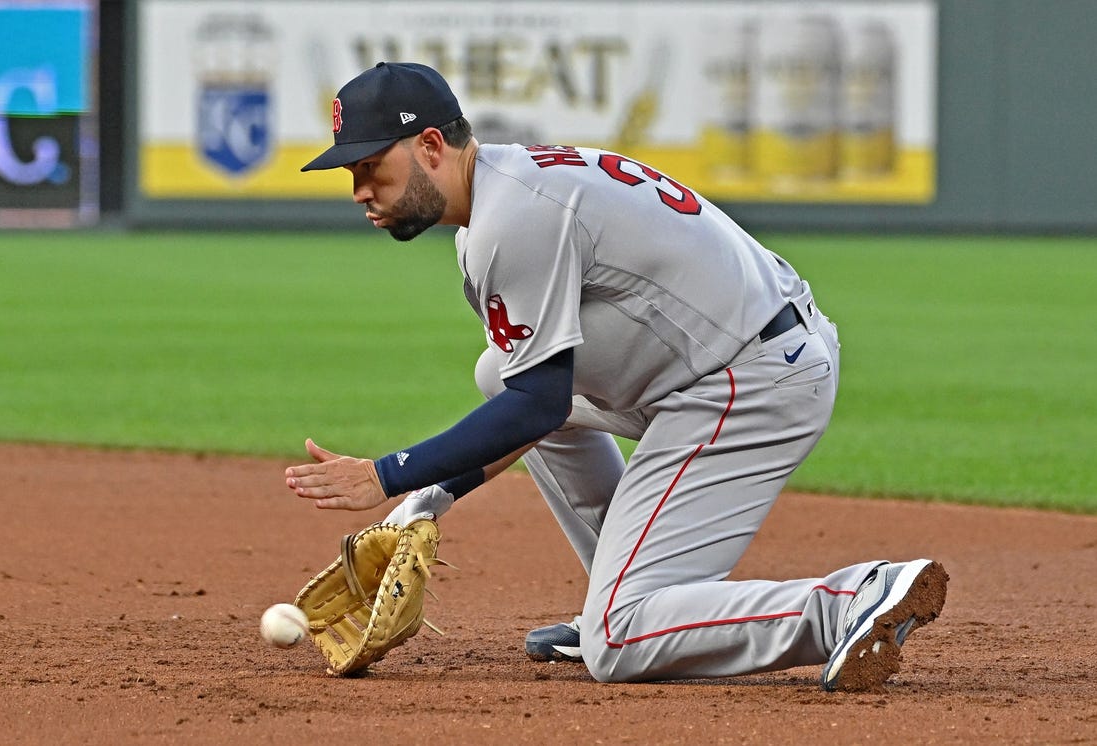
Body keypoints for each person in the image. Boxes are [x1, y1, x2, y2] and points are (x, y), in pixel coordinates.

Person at [285, 61, 948, 690]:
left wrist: (386, 477)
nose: (360, 191)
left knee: (616, 640)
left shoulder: (509, 220)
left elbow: (540, 407)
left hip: (753, 379)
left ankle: (844, 604)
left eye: (372, 166)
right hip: (735, 351)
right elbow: (533, 398)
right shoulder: (508, 191)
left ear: (431, 144)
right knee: (502, 373)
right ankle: (627, 591)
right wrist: (419, 509)